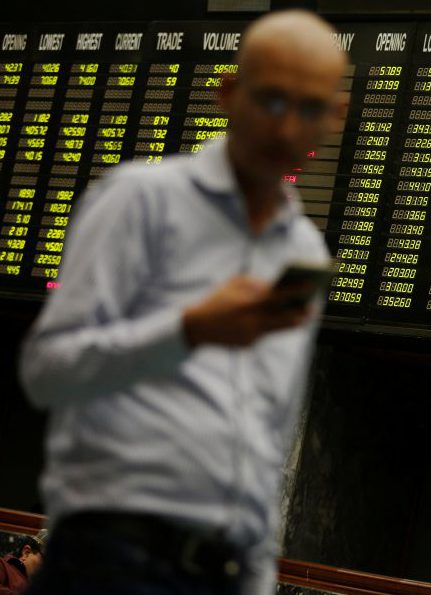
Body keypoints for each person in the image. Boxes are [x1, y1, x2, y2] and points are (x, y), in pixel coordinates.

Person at [19, 10, 346, 595]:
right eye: (271, 101)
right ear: (229, 93)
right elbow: (47, 371)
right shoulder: (141, 201)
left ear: (334, 117)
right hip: (113, 559)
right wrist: (188, 330)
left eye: (310, 108)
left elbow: (268, 430)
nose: (287, 127)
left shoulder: (303, 248)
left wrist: (257, 578)